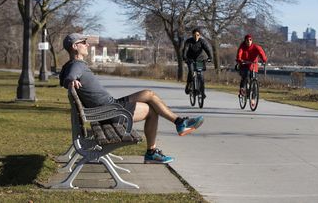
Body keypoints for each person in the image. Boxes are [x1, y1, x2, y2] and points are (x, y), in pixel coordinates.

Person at [59, 33, 204, 164]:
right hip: (110, 112)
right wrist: (70, 80)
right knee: (152, 111)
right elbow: (68, 77)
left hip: (110, 107)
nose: (87, 44)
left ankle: (179, 123)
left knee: (149, 94)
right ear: (74, 46)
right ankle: (157, 147)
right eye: (84, 42)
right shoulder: (77, 65)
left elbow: (63, 76)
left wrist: (68, 80)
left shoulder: (72, 65)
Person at [182, 28, 213, 96]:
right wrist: (184, 57)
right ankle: (188, 85)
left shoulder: (202, 41)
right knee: (191, 71)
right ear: (192, 35)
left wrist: (210, 57)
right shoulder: (188, 41)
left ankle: (202, 92)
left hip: (200, 60)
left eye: (198, 35)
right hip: (190, 59)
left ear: (200, 35)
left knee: (201, 76)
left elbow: (208, 49)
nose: (196, 36)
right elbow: (185, 50)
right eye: (195, 35)